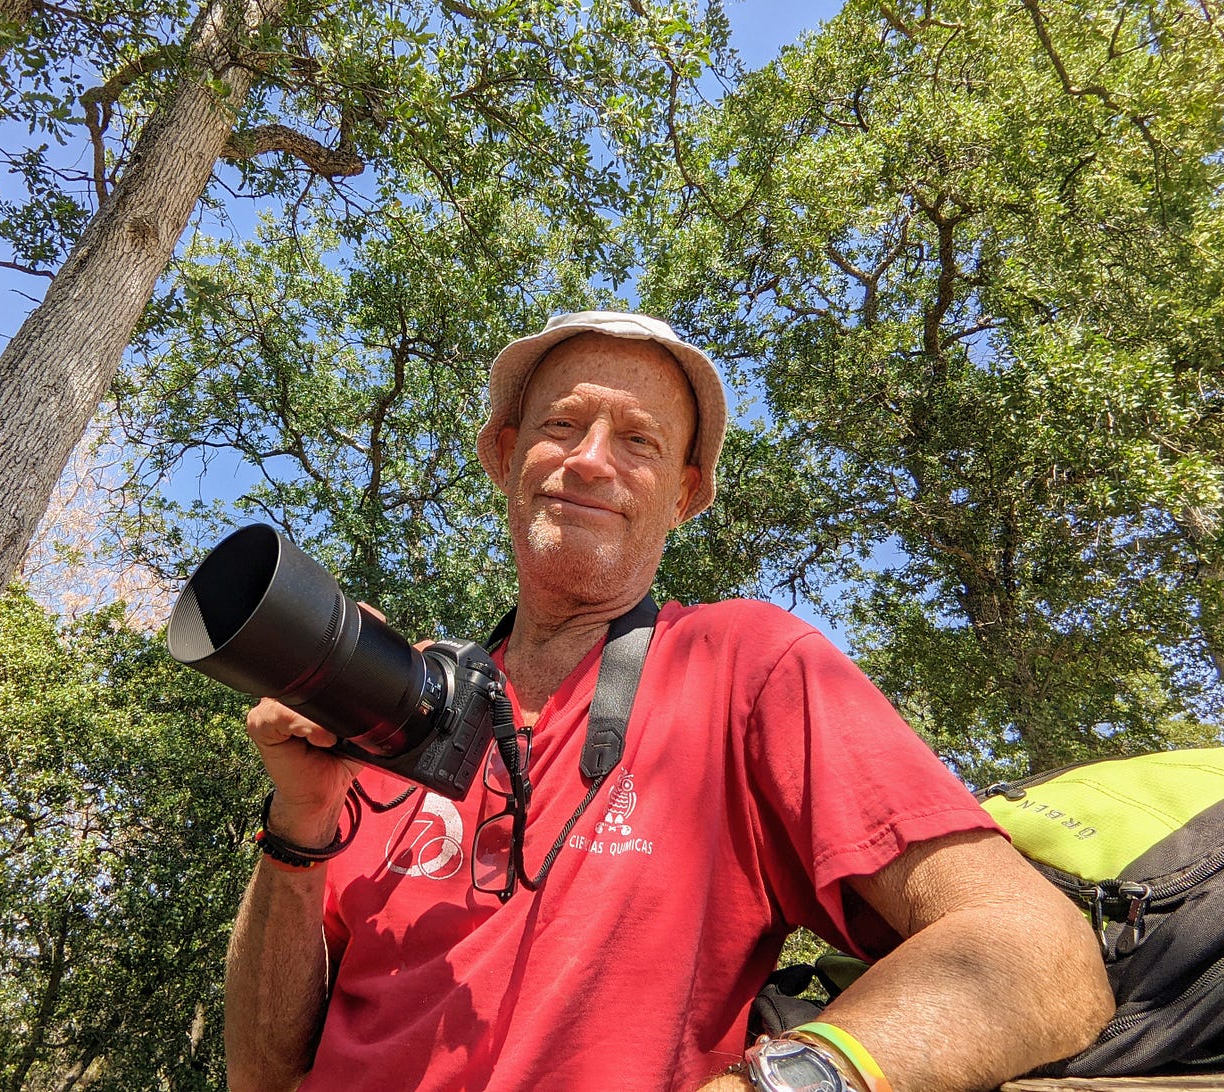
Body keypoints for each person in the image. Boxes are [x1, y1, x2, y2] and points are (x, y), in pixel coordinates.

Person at [224, 311, 1114, 1092]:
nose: (589, 460)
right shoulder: (399, 714)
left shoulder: (745, 667)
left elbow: (1037, 949)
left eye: (639, 441)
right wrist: (300, 823)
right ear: (504, 454)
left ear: (685, 493)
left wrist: (782, 1081)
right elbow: (262, 1074)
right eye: (561, 425)